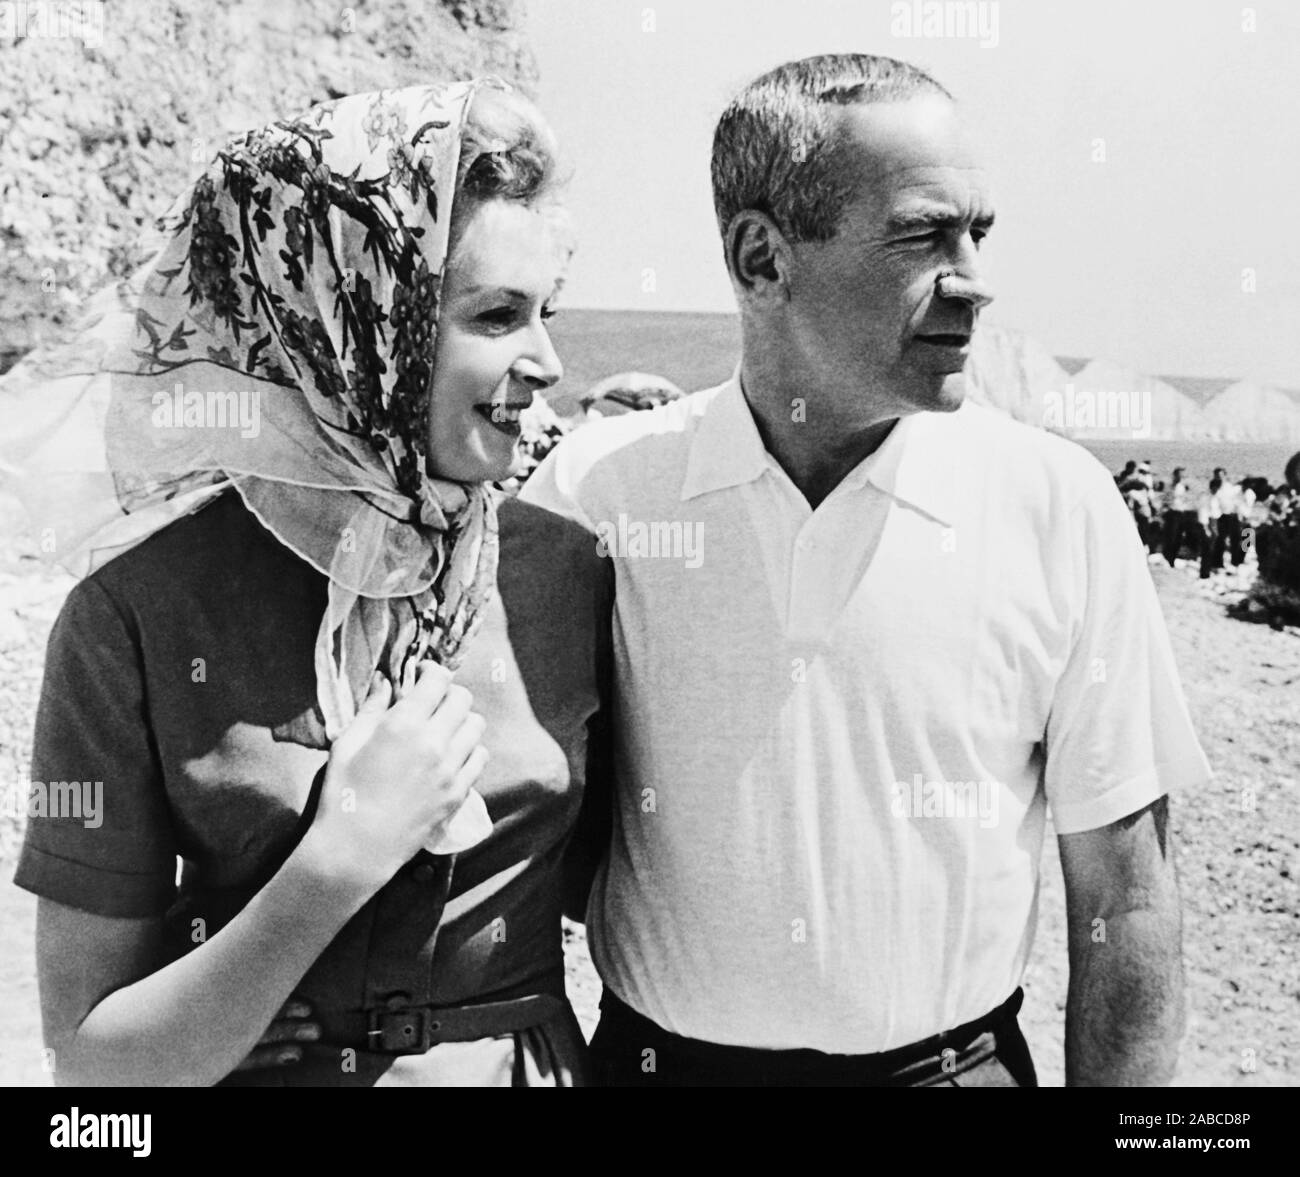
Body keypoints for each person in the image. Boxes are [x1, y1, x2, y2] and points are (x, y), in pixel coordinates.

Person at [523, 53, 1210, 1087]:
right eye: (923, 234)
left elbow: (1125, 895)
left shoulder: (1055, 507)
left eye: (979, 232)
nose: (974, 278)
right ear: (760, 257)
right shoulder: (595, 497)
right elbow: (534, 842)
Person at [4, 81, 613, 1086]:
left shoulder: (565, 570)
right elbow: (94, 1070)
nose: (548, 360)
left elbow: (642, 891)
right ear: (353, 325)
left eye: (546, 312)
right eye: (497, 314)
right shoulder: (132, 617)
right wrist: (332, 865)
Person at [1161, 466, 1196, 567]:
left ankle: (1173, 559)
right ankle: (1168, 558)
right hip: (1172, 513)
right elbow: (1165, 499)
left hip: (1181, 513)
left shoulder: (1182, 487)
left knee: (1178, 537)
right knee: (1170, 537)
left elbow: (1186, 499)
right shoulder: (1169, 486)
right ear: (1175, 475)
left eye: (1182, 475)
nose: (1181, 477)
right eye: (1179, 475)